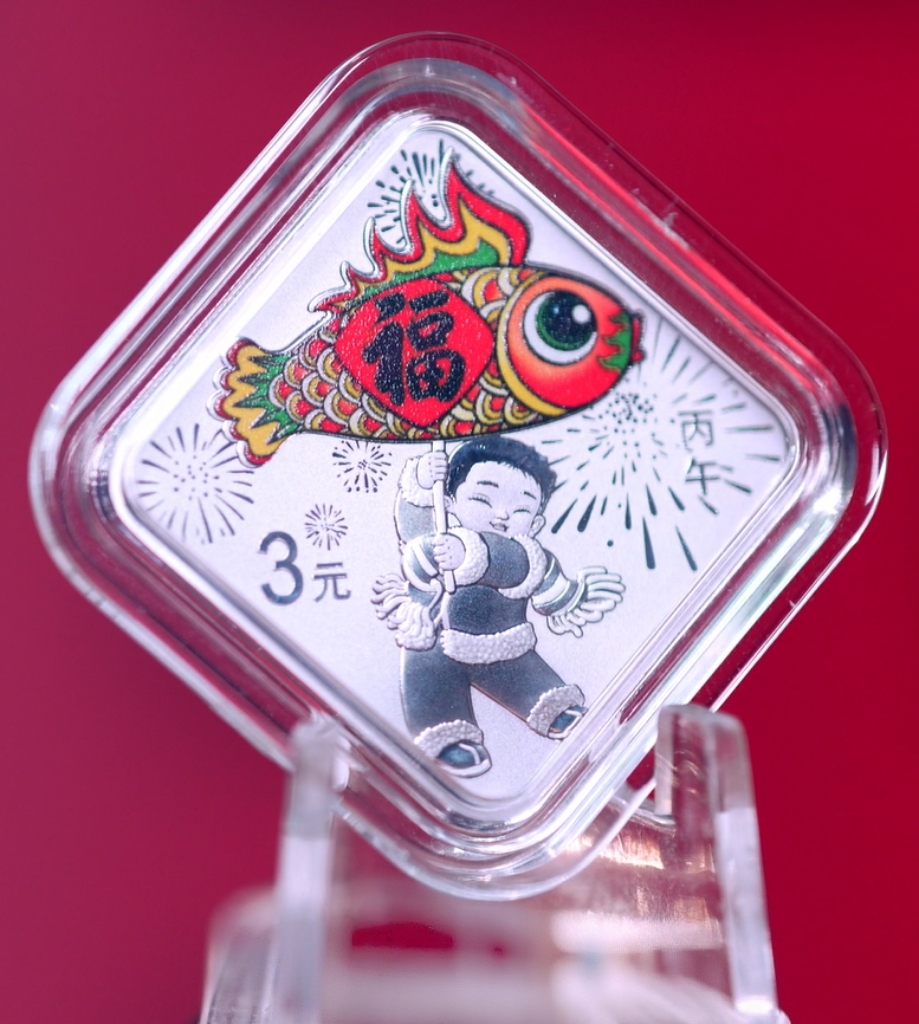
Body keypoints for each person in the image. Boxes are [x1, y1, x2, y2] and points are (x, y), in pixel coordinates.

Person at [373, 435, 624, 777]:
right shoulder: (438, 537)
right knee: (428, 680)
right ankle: (448, 733)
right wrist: (421, 481)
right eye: (481, 498)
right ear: (449, 502)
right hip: (434, 642)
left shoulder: (525, 554)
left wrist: (468, 553)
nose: (503, 514)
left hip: (502, 647)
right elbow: (413, 534)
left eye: (522, 509)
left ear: (535, 524)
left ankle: (550, 707)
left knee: (525, 678)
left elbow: (512, 564)